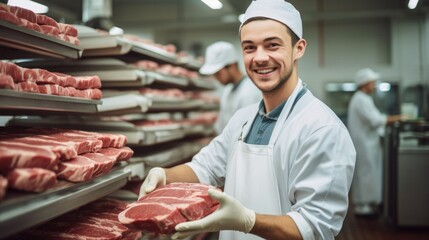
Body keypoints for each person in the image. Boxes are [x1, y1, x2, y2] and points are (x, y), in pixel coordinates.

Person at [139, 0, 356, 239]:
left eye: (272, 45)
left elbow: (315, 228)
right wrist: (164, 175)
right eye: (249, 48)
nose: (260, 58)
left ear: (299, 49)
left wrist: (249, 221)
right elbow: (205, 168)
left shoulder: (321, 128)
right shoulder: (242, 118)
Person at [347, 68, 406, 216]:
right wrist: (399, 117)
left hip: (368, 143)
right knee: (366, 173)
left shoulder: (363, 98)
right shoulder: (360, 98)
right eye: (372, 83)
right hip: (364, 144)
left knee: (368, 172)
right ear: (364, 84)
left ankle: (368, 203)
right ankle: (363, 205)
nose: (374, 86)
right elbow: (375, 120)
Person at [199, 41, 261, 134]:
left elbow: (247, 132)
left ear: (232, 65)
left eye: (218, 73)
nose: (216, 78)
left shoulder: (250, 91)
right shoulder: (227, 90)